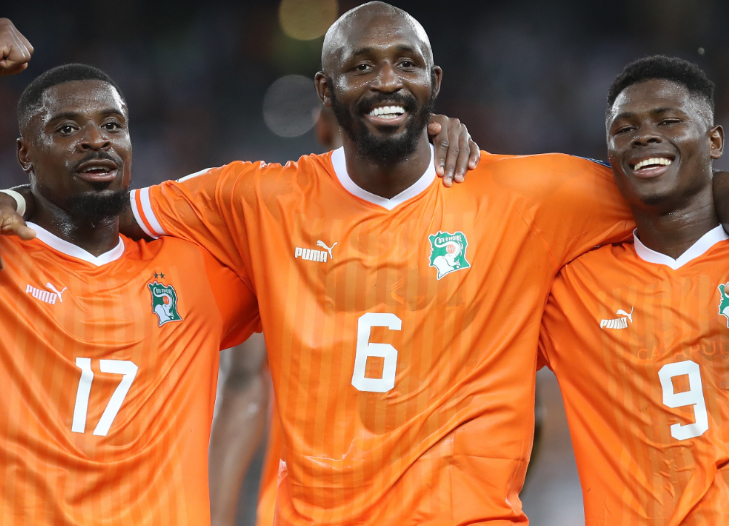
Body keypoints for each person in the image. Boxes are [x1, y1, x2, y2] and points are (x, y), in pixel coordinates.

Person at [119, 3, 636, 524]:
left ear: (433, 81)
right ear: (325, 89)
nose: (387, 80)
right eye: (363, 66)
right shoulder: (261, 201)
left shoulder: (527, 196)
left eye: (406, 65)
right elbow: (100, 210)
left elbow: (689, 197)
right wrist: (30, 203)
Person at [0, 62, 262, 524]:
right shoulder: (7, 259)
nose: (97, 140)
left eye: (113, 125)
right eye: (66, 128)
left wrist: (423, 150)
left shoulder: (192, 268)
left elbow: (335, 228)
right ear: (25, 153)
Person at [539, 56, 729, 525]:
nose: (643, 136)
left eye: (668, 120)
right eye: (624, 130)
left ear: (714, 141)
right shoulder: (573, 289)